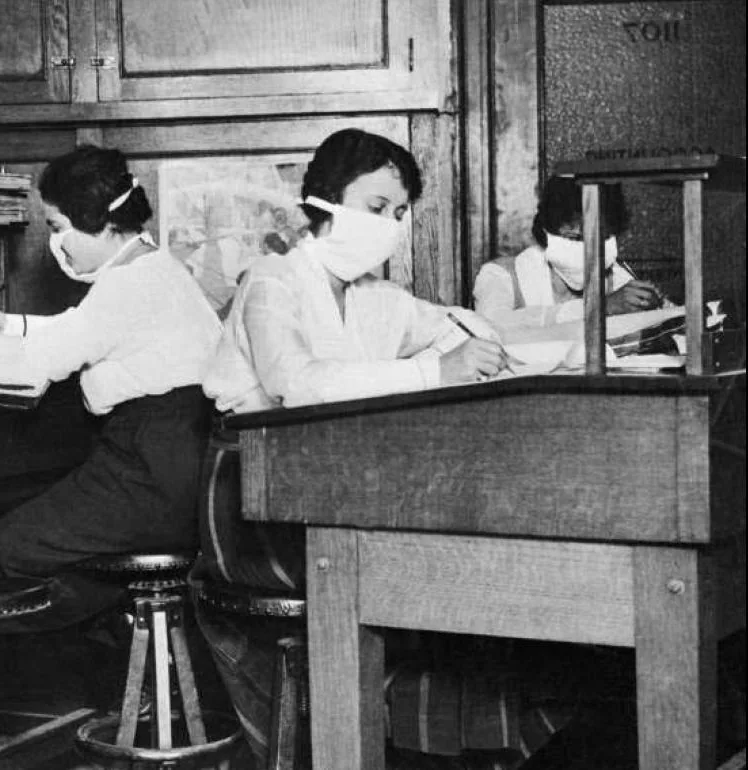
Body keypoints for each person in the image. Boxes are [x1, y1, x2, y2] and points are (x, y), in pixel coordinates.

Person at [195, 128, 580, 769]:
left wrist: (483, 347)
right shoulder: (272, 279)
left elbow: (460, 326)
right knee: (430, 566)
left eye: (400, 213)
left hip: (337, 490)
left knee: (469, 557)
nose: (391, 226)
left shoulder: (380, 297)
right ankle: (415, 742)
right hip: (250, 497)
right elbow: (298, 385)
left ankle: (464, 741)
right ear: (324, 201)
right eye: (376, 208)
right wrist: (435, 371)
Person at [0, 145, 223, 630]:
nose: (56, 245)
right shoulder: (156, 268)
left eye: (58, 228)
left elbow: (44, 361)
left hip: (145, 473)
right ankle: (117, 665)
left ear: (100, 224)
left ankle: (63, 681)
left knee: (1, 550)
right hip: (176, 471)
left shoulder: (126, 285)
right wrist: (12, 326)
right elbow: (84, 330)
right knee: (61, 561)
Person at [472, 175, 664, 331]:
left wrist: (654, 310)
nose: (588, 249)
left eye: (599, 238)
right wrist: (599, 308)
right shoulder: (501, 274)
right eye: (574, 238)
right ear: (546, 233)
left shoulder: (616, 277)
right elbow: (491, 327)